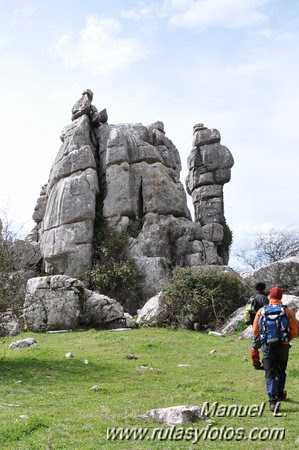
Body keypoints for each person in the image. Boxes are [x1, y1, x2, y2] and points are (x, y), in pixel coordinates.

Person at [252, 286, 298, 412]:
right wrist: (287, 339)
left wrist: (263, 338)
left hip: (267, 346)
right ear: (281, 297)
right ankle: (280, 394)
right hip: (283, 346)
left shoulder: (262, 310)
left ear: (270, 297)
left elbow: (255, 329)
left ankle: (272, 401)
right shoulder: (287, 311)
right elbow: (295, 330)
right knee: (281, 370)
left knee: (270, 373)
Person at [249, 282, 269, 370]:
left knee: (255, 346)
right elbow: (267, 312)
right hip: (263, 324)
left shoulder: (252, 298)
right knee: (266, 344)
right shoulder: (264, 298)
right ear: (263, 289)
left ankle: (256, 364)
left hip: (254, 324)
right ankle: (266, 363)